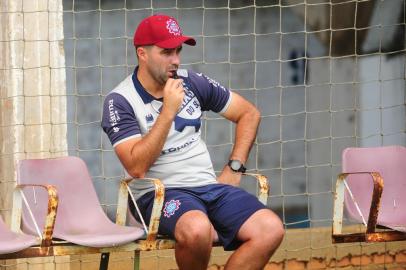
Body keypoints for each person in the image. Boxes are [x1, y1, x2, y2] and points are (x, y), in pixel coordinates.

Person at [101, 14, 284, 270]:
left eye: (177, 51)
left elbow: (249, 114)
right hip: (157, 194)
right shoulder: (119, 100)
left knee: (270, 228)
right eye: (166, 52)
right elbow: (136, 167)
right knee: (198, 229)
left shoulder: (192, 82)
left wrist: (234, 167)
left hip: (208, 187)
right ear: (142, 54)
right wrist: (168, 111)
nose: (175, 60)